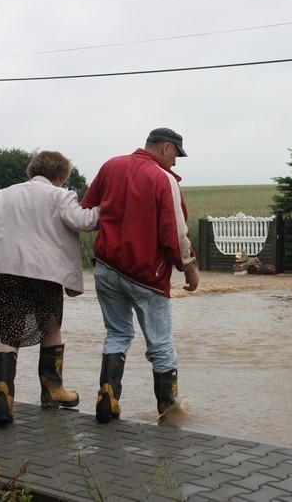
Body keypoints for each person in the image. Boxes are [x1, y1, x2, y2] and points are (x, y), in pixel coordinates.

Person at [81, 127, 199, 423]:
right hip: (146, 275)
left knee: (117, 334)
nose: (175, 163)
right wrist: (189, 267)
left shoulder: (110, 165)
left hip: (106, 269)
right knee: (160, 343)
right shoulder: (163, 179)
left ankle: (108, 396)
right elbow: (174, 231)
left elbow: (88, 208)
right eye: (176, 155)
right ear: (166, 148)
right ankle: (169, 409)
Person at [0, 151, 99, 426]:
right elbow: (84, 222)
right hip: (43, 274)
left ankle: (3, 394)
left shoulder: (4, 194)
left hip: (3, 272)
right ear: (60, 176)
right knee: (51, 327)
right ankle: (53, 391)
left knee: (9, 332)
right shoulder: (61, 196)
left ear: (31, 171)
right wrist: (105, 208)